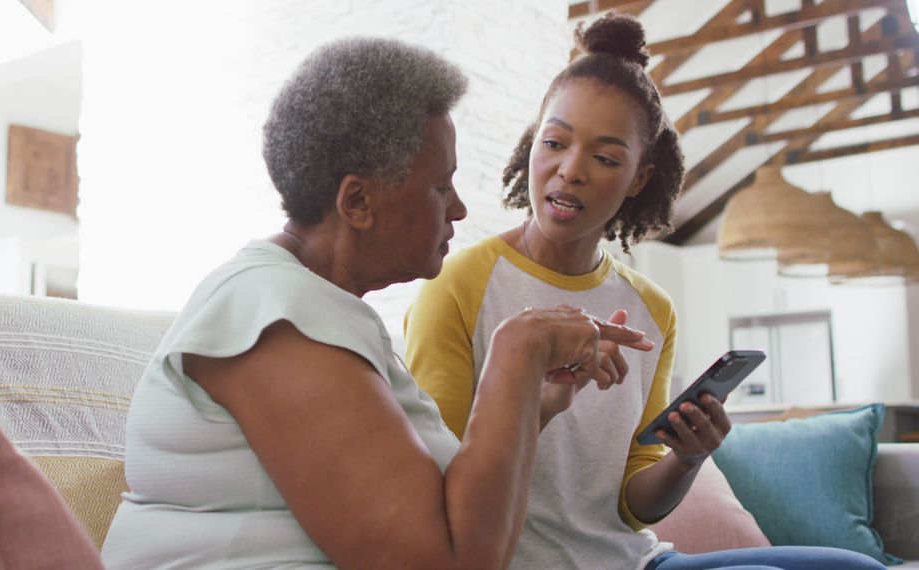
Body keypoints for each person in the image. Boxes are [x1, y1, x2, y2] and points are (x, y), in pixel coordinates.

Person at [100, 37, 654, 569]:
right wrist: (518, 348)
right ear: (358, 202)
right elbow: (444, 565)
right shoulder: (273, 315)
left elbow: (451, 518)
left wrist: (533, 406)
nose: (458, 210)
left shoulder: (324, 312)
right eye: (442, 186)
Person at [404, 12, 885, 570]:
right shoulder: (458, 286)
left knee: (857, 569)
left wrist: (686, 458)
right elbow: (444, 478)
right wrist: (535, 402)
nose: (570, 170)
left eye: (605, 158)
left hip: (635, 561)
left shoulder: (651, 310)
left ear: (639, 178)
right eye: (554, 142)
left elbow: (635, 507)